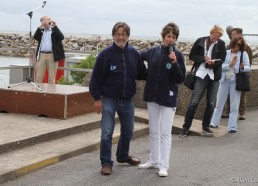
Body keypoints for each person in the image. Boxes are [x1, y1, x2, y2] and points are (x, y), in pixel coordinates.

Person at [89, 22, 147, 176]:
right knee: (107, 133)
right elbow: (95, 78)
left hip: (127, 100)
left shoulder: (134, 53)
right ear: (113, 35)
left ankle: (122, 156)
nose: (121, 37)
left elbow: (142, 72)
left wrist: (158, 70)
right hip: (109, 99)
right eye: (118, 34)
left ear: (128, 36)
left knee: (128, 131)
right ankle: (106, 163)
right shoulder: (105, 54)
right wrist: (97, 99)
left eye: (124, 34)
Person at [138, 22, 186, 177]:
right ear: (163, 36)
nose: (170, 39)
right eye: (168, 36)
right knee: (153, 131)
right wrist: (144, 73)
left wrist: (174, 63)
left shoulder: (178, 56)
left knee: (165, 132)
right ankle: (154, 160)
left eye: (173, 37)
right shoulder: (153, 52)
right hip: (152, 96)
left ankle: (164, 165)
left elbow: (180, 78)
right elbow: (138, 56)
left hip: (168, 98)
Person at [179, 25, 226, 137]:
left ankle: (205, 127)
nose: (217, 39)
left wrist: (213, 62)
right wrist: (203, 59)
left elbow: (222, 59)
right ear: (212, 33)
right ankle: (185, 127)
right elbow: (192, 56)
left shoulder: (221, 44)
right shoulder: (200, 41)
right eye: (215, 37)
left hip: (214, 76)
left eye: (219, 37)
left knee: (211, 103)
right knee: (194, 102)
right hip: (200, 74)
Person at [209, 36, 250, 132]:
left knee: (234, 105)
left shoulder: (243, 54)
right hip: (224, 81)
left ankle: (232, 127)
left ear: (241, 45)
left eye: (239, 44)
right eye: (235, 44)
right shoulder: (226, 53)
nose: (236, 46)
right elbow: (220, 66)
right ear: (232, 43)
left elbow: (248, 67)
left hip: (236, 82)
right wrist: (230, 64)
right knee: (219, 103)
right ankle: (214, 123)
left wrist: (242, 67)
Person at [222, 27, 253, 120]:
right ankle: (227, 111)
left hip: (240, 74)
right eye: (231, 35)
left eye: (233, 34)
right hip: (229, 73)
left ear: (239, 35)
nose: (231, 36)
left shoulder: (246, 47)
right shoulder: (229, 46)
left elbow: (249, 63)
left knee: (242, 94)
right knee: (228, 94)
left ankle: (242, 112)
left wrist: (242, 68)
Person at [34, 16, 65, 84]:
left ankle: (51, 93)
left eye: (48, 20)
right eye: (45, 20)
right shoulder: (41, 31)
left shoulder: (54, 30)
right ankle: (38, 92)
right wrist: (40, 26)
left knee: (51, 78)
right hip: (42, 55)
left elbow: (61, 37)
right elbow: (35, 37)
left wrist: (55, 26)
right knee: (38, 77)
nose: (47, 21)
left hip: (52, 55)